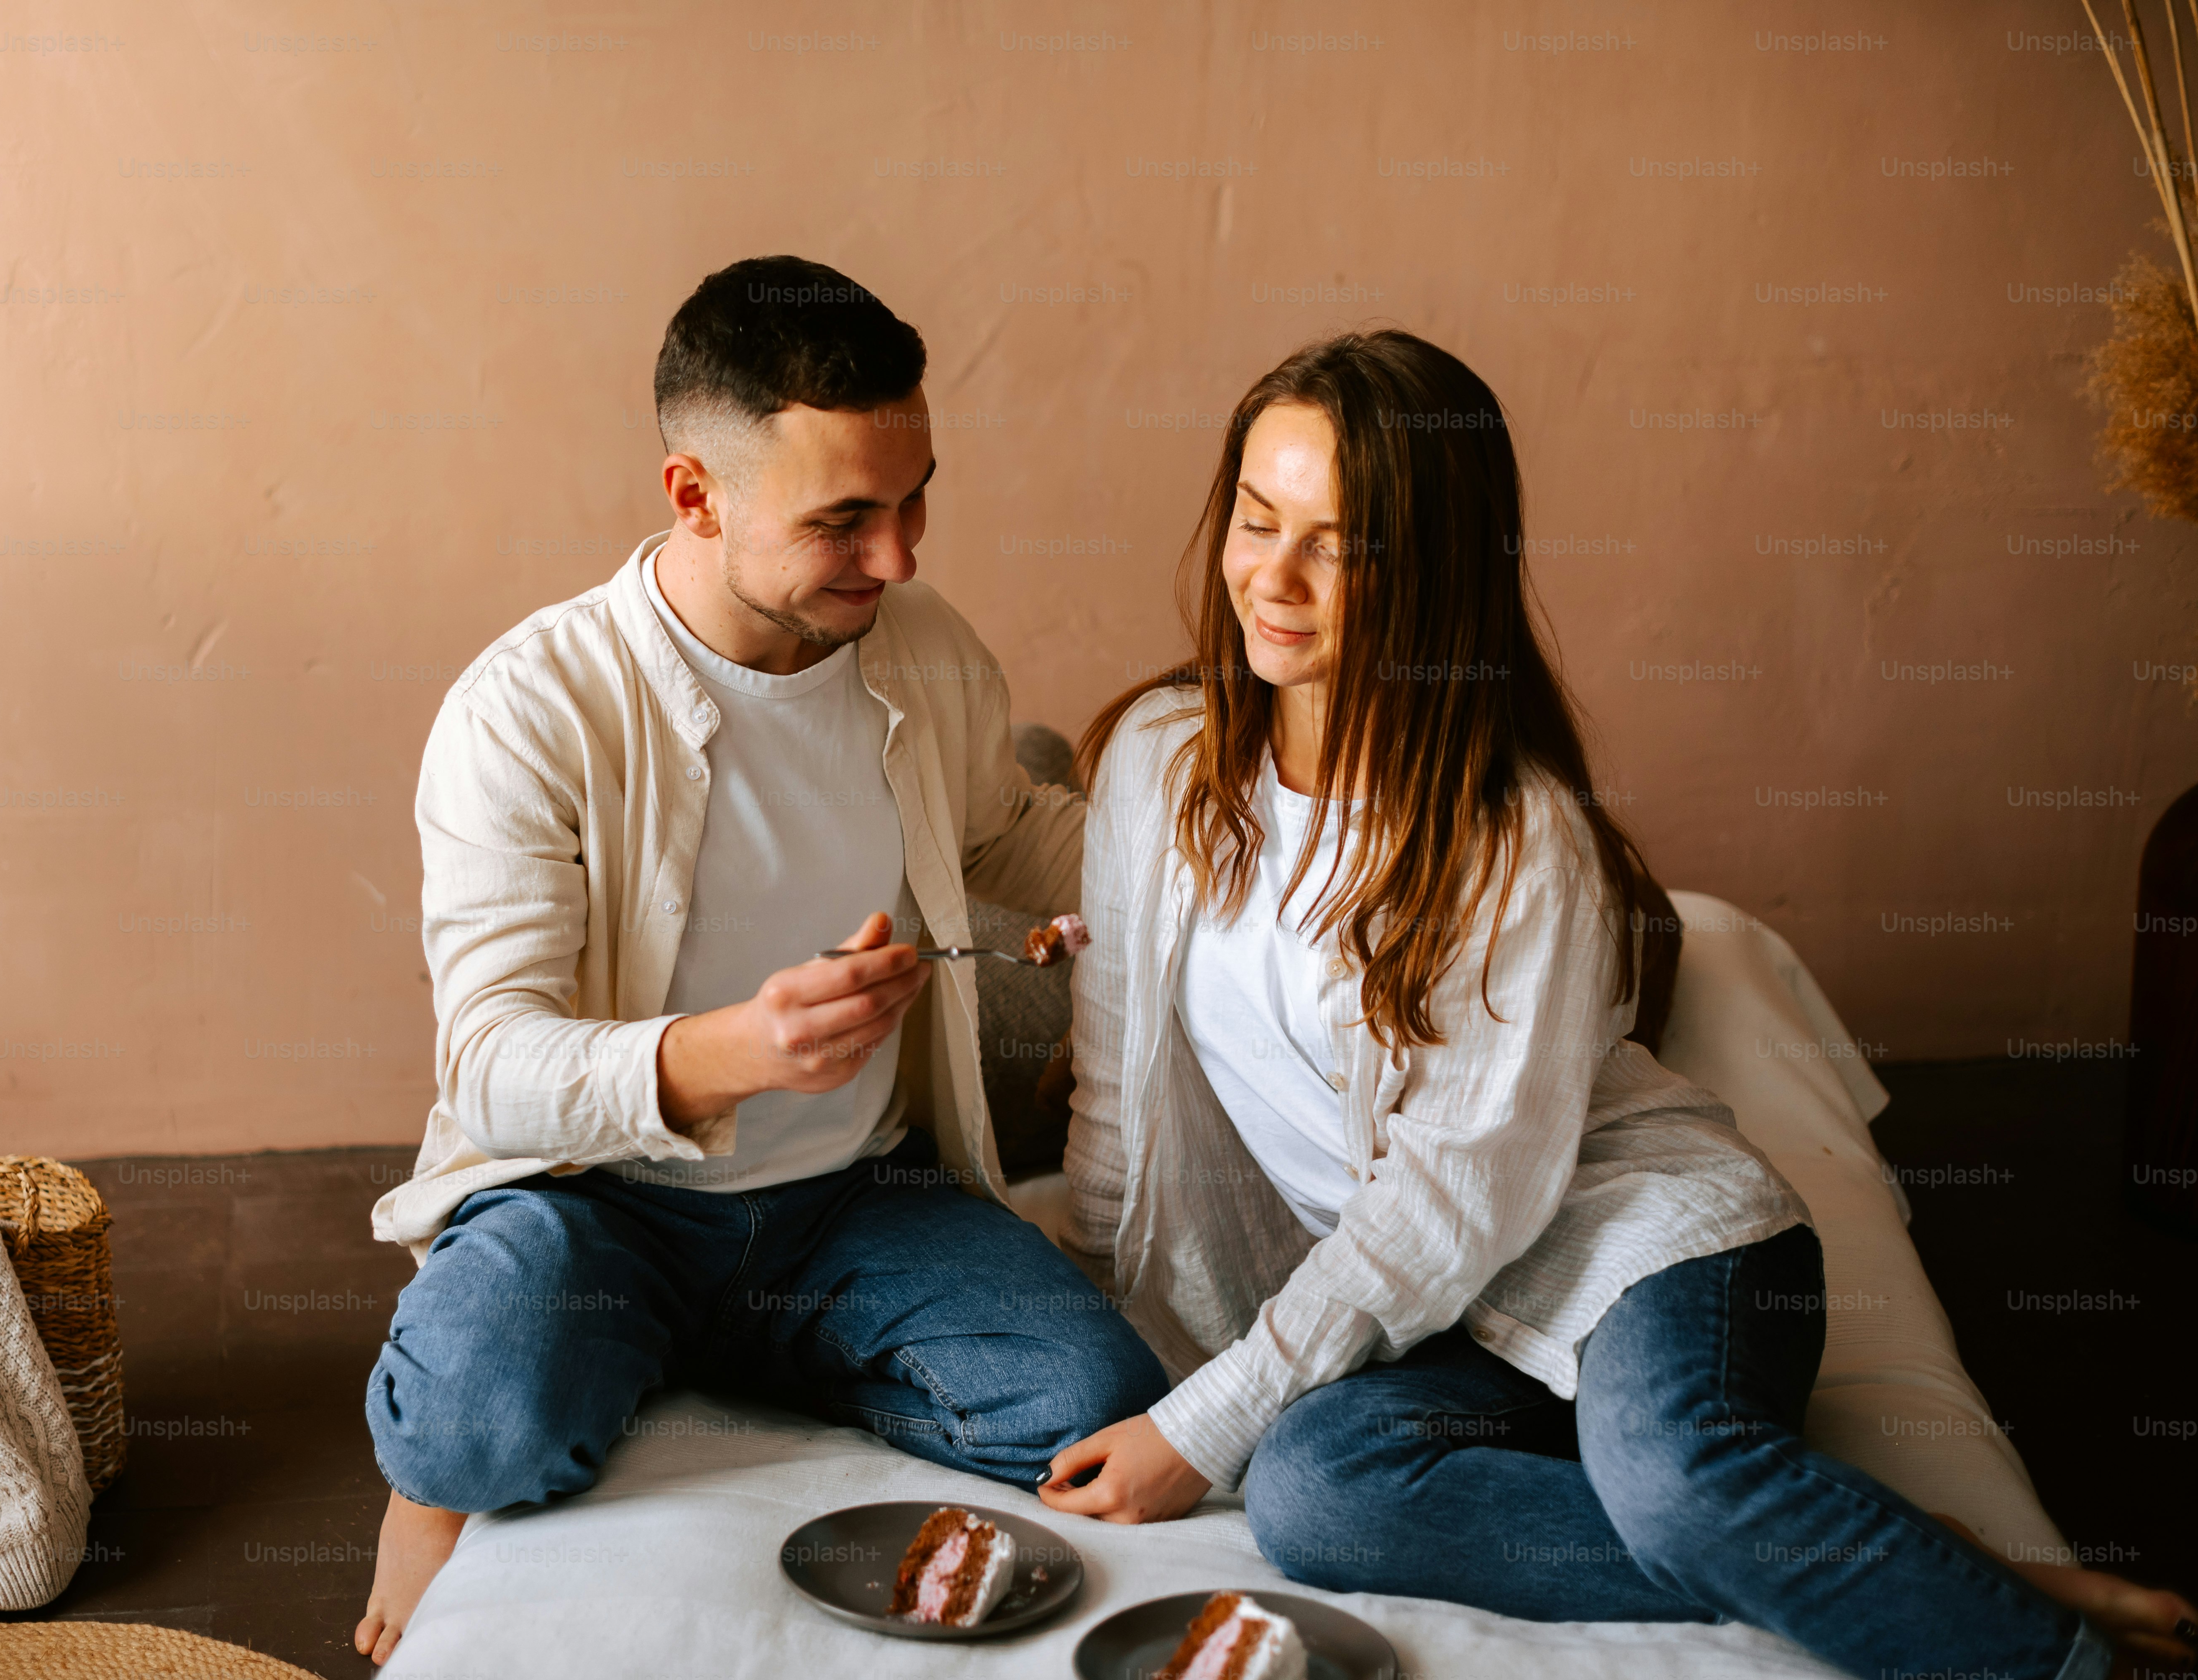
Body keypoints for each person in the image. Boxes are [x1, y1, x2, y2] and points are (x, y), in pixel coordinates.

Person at [1036, 330, 2198, 1680]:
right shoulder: (1159, 764)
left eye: (1340, 548)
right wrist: (1122, 1334)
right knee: (1313, 1493)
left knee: (1677, 1482)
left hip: (1649, 1253)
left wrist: (1203, 1426)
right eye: (1256, 520)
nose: (1274, 580)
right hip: (1446, 1323)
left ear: (1438, 572)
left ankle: (2038, 1651)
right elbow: (1117, 1081)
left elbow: (1450, 1202)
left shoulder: (1519, 841)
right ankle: (1872, 1549)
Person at [352, 256, 1167, 1663]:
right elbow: (490, 1065)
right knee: (475, 1422)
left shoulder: (921, 645)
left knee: (1093, 1401)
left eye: (914, 502)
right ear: (695, 496)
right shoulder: (528, 710)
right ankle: (515, 1430)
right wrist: (736, 1052)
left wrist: (1232, 884)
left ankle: (700, 1355)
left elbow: (1012, 830)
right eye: (844, 521)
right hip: (597, 1200)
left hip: (851, 1202)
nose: (899, 559)